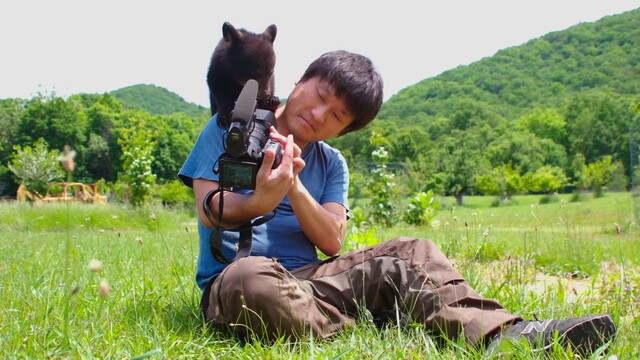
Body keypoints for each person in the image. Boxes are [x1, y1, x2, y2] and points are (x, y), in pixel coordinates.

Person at [178, 50, 616, 355]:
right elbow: (208, 209)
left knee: (412, 252)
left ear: (343, 131)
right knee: (249, 279)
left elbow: (332, 241)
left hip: (313, 280)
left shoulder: (331, 163)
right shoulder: (229, 126)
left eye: (336, 116)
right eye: (320, 95)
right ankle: (380, 317)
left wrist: (293, 186)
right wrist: (260, 200)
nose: (318, 114)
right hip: (238, 279)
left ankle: (510, 334)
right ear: (300, 81)